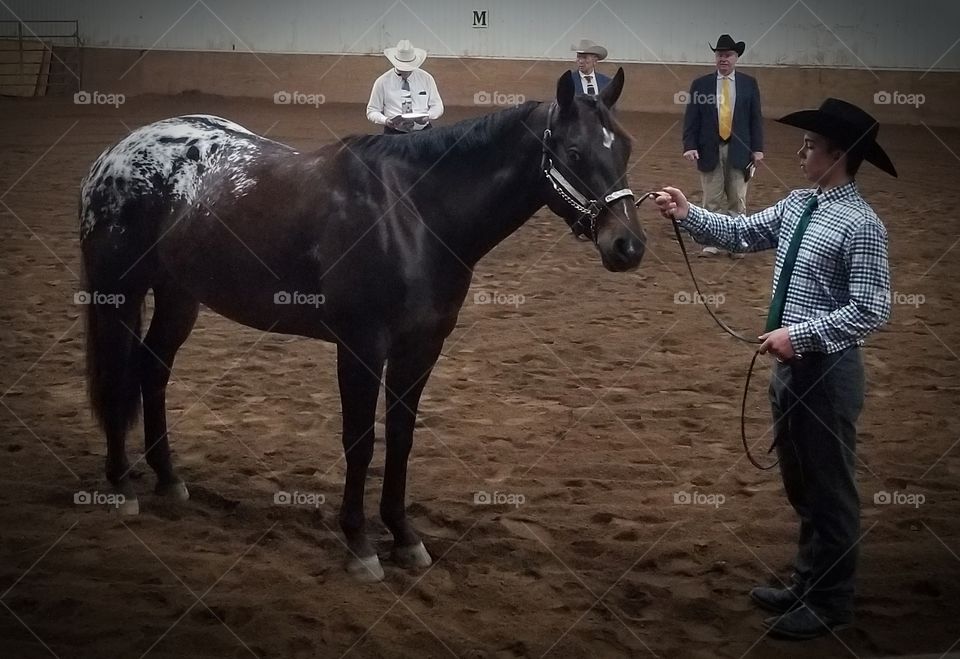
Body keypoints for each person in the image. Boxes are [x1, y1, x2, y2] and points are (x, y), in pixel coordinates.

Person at [656, 98, 897, 640]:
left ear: (838, 155)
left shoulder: (862, 224)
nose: (801, 150)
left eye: (811, 145)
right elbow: (741, 232)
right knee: (801, 484)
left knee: (830, 490)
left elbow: (872, 307)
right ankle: (808, 580)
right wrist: (686, 213)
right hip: (791, 369)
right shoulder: (796, 205)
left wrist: (800, 334)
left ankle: (830, 602)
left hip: (828, 372)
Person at [681, 34, 764, 256]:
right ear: (715, 58)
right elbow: (691, 118)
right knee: (712, 197)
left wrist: (757, 148)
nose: (723, 59)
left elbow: (755, 117)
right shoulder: (701, 84)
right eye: (719, 55)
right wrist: (689, 145)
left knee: (738, 198)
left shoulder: (749, 84)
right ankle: (712, 242)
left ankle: (738, 243)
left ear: (736, 57)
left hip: (740, 149)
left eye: (727, 55)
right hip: (709, 148)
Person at [366, 39, 443, 134]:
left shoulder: (427, 78)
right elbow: (372, 110)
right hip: (394, 133)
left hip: (423, 132)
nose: (406, 71)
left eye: (409, 69)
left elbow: (437, 106)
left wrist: (429, 116)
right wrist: (385, 120)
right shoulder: (382, 82)